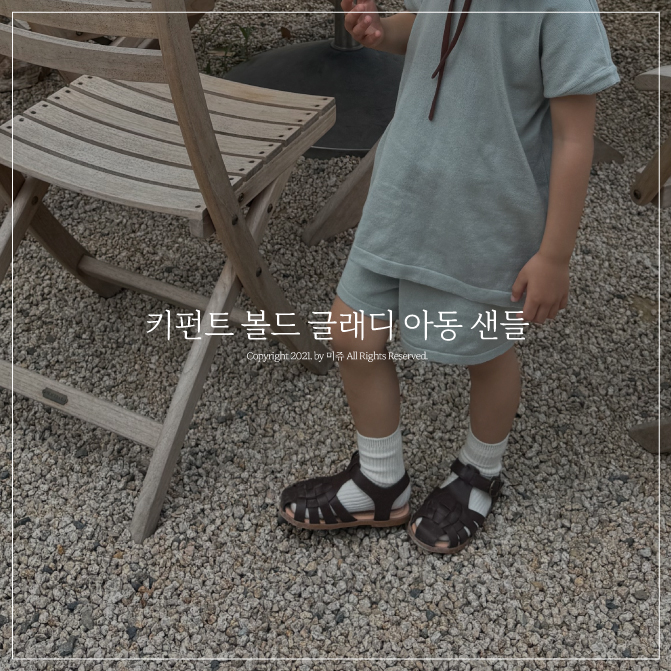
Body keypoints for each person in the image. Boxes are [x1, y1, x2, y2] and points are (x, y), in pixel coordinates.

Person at [278, 0, 620, 554]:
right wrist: (382, 32)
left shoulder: (564, 9)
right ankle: (380, 479)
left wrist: (555, 255)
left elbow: (575, 137)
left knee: (485, 352)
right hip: (401, 193)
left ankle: (480, 471)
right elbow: (427, 28)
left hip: (486, 217)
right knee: (350, 330)